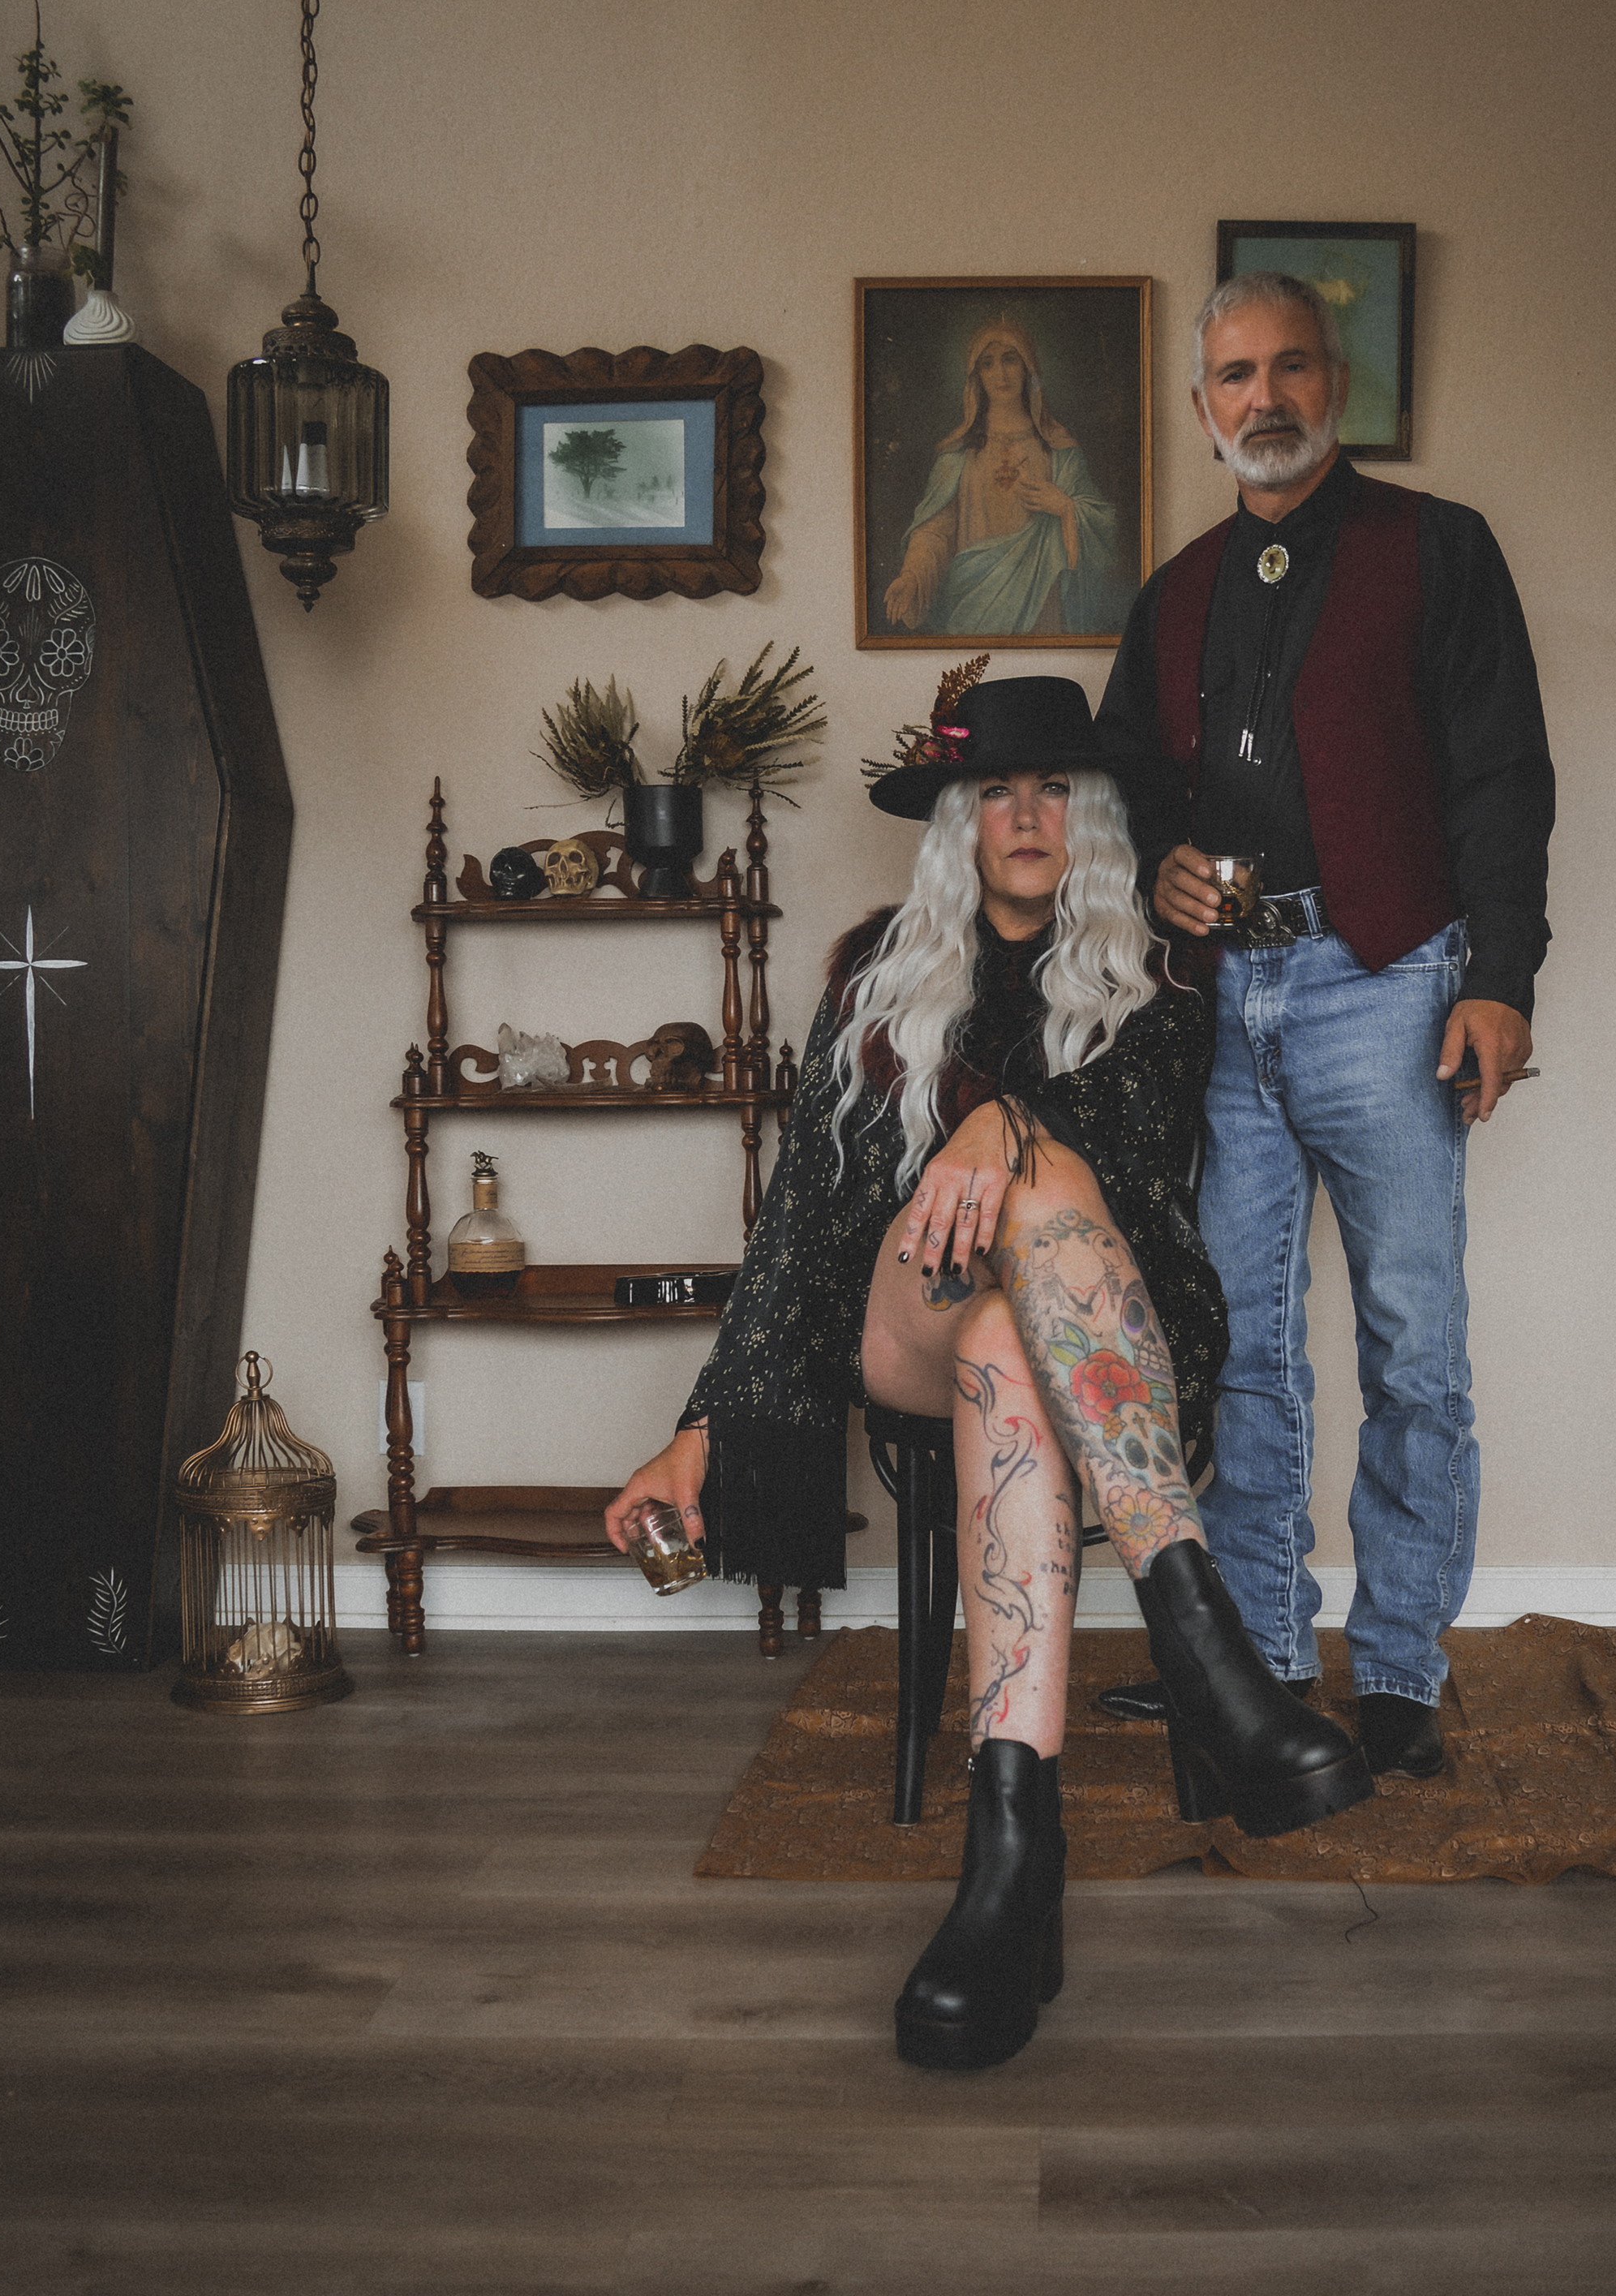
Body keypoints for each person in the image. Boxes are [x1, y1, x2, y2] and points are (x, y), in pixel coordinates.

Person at [605, 673, 1373, 2071]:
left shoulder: (1156, 970)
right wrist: (703, 1425)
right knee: (1005, 1211)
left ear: (1095, 816)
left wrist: (1006, 1125)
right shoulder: (876, 974)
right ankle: (1208, 1655)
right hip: (909, 1308)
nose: (1027, 813)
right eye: (997, 791)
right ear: (960, 820)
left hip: (1105, 1329)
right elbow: (805, 1214)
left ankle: (1012, 1856)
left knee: (1014, 1318)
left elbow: (1129, 1154)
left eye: (1056, 788)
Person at [1093, 272, 1554, 1782]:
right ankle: (1271, 1665)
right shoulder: (1175, 593)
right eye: (1236, 375)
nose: (1264, 397)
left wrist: (1501, 975)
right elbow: (1128, 784)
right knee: (1242, 1349)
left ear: (1333, 388)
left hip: (1395, 977)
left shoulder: (1438, 548)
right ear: (1203, 406)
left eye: (1290, 367)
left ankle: (1402, 1671)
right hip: (1225, 1002)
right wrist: (1158, 865)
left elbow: (1503, 771)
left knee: (1415, 1343)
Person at [881, 319, 1119, 638]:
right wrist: (912, 577)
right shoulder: (958, 454)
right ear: (977, 376)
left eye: (1010, 359)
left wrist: (1066, 508)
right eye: (988, 363)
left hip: (1042, 613)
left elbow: (1103, 529)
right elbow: (935, 532)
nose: (1001, 374)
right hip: (974, 613)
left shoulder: (1059, 450)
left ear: (1027, 367)